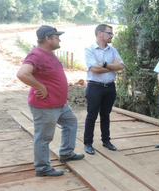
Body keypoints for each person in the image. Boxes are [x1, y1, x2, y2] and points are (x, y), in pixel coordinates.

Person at [16, 25, 85, 177]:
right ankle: (42, 168)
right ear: (48, 39)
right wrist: (40, 86)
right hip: (45, 106)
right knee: (44, 137)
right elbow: (22, 74)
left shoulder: (48, 53)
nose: (59, 39)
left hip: (59, 104)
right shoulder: (36, 55)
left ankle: (66, 153)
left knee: (71, 122)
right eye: (56, 37)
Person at [83, 24, 124, 155]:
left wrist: (105, 64)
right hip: (95, 87)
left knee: (105, 115)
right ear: (100, 33)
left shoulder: (112, 50)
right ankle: (88, 143)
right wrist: (113, 66)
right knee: (92, 116)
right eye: (109, 33)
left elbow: (121, 66)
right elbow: (94, 69)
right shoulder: (90, 49)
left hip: (110, 87)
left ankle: (106, 140)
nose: (111, 36)